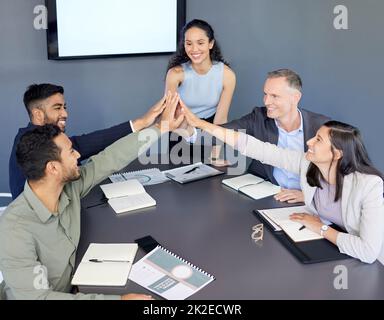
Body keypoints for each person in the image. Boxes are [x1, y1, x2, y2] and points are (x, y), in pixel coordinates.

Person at [0, 92, 184, 299]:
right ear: (52, 168)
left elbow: (108, 159)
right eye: (71, 152)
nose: (78, 155)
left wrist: (161, 127)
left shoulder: (69, 188)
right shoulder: (14, 229)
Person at [182, 104, 384, 264]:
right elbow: (257, 148)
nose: (309, 142)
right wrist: (201, 124)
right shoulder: (308, 164)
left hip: (370, 261)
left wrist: (320, 228)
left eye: (318, 140)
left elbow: (368, 252)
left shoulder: (369, 185)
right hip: (334, 248)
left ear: (337, 154)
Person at [9, 83, 166, 199]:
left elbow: (90, 142)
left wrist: (142, 123)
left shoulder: (46, 139)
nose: (65, 113)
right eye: (57, 108)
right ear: (38, 114)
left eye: (64, 107)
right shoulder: (32, 146)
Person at [217, 69, 330, 203]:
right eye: (265, 94)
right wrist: (190, 130)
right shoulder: (258, 117)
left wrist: (310, 197)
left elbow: (339, 177)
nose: (266, 101)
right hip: (264, 195)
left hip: (306, 203)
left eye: (274, 96)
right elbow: (220, 132)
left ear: (295, 98)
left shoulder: (323, 127)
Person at [165, 19, 236, 160]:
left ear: (211, 44)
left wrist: (215, 156)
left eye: (200, 43)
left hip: (210, 130)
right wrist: (190, 133)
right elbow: (171, 114)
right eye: (189, 43)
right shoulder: (175, 74)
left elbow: (221, 119)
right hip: (181, 130)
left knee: (210, 177)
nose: (194, 49)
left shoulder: (227, 75)